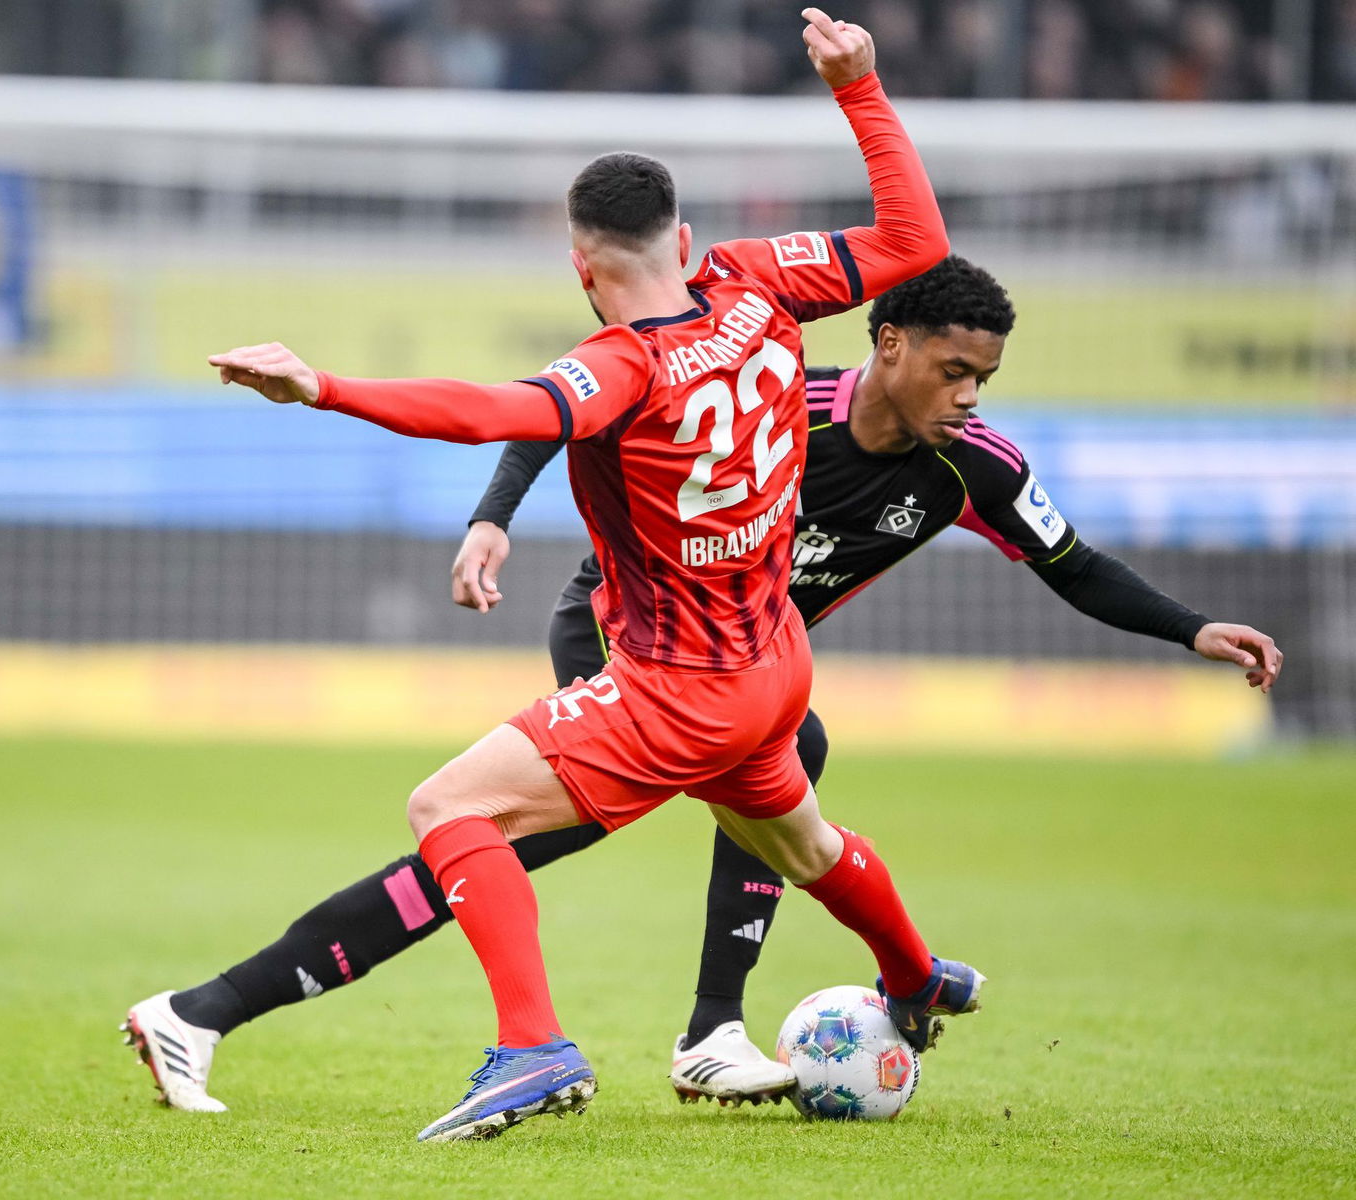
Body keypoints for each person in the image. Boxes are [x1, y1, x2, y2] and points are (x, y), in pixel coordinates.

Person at [121, 256, 1284, 1120]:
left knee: (551, 835)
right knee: (509, 835)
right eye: (953, 368)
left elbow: (1073, 566)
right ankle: (722, 1027)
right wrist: (490, 519)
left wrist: (1191, 630)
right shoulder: (781, 403)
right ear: (885, 344)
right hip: (626, 644)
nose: (971, 394)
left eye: (984, 376)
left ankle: (207, 1012)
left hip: (738, 674)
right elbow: (559, 406)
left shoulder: (969, 469)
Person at [126, 9, 973, 1143]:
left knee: (450, 809)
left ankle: (530, 1047)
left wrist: (321, 385)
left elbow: (488, 413)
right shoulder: (757, 281)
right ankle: (910, 977)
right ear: (685, 236)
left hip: (676, 681)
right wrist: (861, 89)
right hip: (776, 660)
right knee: (804, 844)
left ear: (581, 267)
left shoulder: (618, 366)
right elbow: (915, 245)